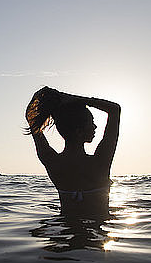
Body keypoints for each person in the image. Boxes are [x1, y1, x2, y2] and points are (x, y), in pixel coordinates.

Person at [25, 86, 121, 216]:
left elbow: (30, 117)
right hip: (96, 231)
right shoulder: (100, 162)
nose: (95, 126)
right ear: (79, 132)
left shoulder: (51, 161)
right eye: (91, 122)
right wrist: (73, 99)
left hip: (64, 230)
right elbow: (115, 109)